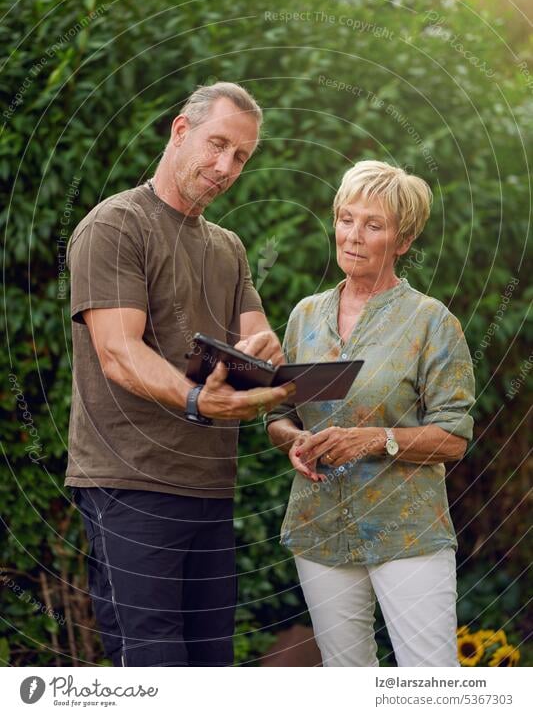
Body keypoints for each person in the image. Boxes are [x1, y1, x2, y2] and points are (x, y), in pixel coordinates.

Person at [66, 81, 294, 667]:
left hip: (209, 484)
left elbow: (256, 342)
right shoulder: (116, 225)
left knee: (211, 660)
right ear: (180, 130)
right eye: (217, 144)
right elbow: (118, 351)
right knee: (153, 662)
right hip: (131, 481)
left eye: (240, 157)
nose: (225, 167)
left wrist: (275, 368)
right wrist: (197, 400)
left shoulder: (228, 247)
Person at [266, 160, 475, 667]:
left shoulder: (432, 323)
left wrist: (375, 438)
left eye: (373, 225)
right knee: (346, 678)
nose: (353, 236)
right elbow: (277, 415)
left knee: (430, 679)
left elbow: (454, 438)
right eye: (346, 219)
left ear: (402, 242)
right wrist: (293, 439)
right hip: (320, 527)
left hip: (407, 532)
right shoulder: (305, 316)